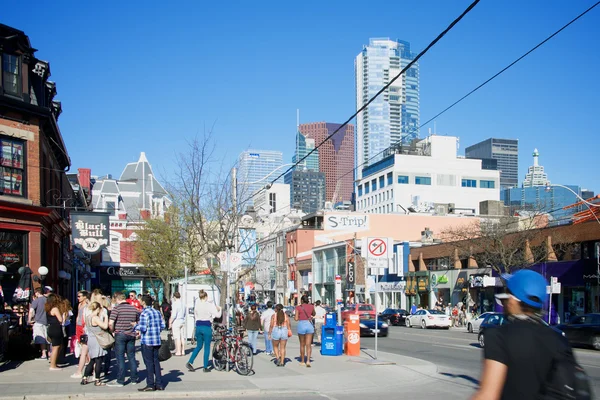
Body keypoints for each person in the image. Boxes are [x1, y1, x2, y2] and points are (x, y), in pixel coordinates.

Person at [470, 270, 572, 400]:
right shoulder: (559, 339)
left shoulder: (498, 337)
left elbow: (487, 395)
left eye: (507, 295)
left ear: (513, 300)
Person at [133, 295, 165, 392]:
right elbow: (162, 325)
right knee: (156, 362)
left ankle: (150, 384)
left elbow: (143, 328)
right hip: (156, 340)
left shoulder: (144, 313)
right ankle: (159, 384)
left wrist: (135, 326)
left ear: (143, 302)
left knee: (149, 363)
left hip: (147, 341)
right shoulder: (157, 312)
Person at [109, 291, 140, 387]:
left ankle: (120, 380)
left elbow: (111, 323)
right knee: (131, 356)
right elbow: (138, 321)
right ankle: (134, 379)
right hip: (131, 334)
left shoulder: (116, 309)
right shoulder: (133, 308)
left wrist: (112, 331)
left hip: (120, 334)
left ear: (118, 299)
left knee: (120, 357)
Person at [186, 289, 221, 373]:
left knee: (198, 346)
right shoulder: (209, 305)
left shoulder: (197, 305)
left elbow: (195, 315)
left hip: (198, 326)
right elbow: (218, 315)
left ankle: (190, 361)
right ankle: (205, 367)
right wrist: (220, 308)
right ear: (206, 297)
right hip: (206, 327)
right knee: (207, 347)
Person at [81, 302, 108, 386]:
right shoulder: (95, 318)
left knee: (92, 360)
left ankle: (85, 377)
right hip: (97, 340)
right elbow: (105, 326)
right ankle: (97, 380)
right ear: (98, 309)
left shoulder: (88, 317)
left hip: (91, 339)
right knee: (98, 360)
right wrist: (106, 317)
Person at [71, 290, 90, 379]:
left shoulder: (87, 305)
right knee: (80, 344)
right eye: (78, 296)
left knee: (85, 345)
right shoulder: (79, 305)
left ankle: (88, 362)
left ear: (85, 297)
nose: (78, 298)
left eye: (79, 296)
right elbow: (78, 315)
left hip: (83, 326)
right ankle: (86, 361)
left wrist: (84, 326)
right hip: (78, 326)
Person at [44, 293, 64, 370]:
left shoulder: (48, 308)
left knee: (56, 346)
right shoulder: (55, 309)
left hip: (50, 327)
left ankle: (54, 362)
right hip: (56, 328)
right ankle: (53, 365)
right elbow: (60, 320)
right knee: (56, 347)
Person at [294, 295, 315, 367]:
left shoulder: (298, 307)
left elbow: (296, 319)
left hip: (301, 325)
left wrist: (300, 316)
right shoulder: (311, 306)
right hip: (309, 325)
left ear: (302, 300)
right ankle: (308, 361)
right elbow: (314, 314)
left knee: (302, 344)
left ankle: (302, 361)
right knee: (308, 345)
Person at [28, 287, 48, 360]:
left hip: (39, 321)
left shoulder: (36, 301)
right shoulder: (47, 300)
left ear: (37, 292)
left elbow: (31, 311)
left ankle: (44, 354)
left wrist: (29, 320)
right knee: (47, 338)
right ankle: (49, 353)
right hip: (47, 321)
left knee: (41, 338)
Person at [169, 292, 186, 356]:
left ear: (174, 297)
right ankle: (183, 351)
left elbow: (173, 315)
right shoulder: (183, 303)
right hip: (182, 320)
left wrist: (170, 322)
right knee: (182, 337)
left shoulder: (175, 304)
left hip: (176, 321)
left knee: (177, 337)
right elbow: (184, 313)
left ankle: (178, 351)